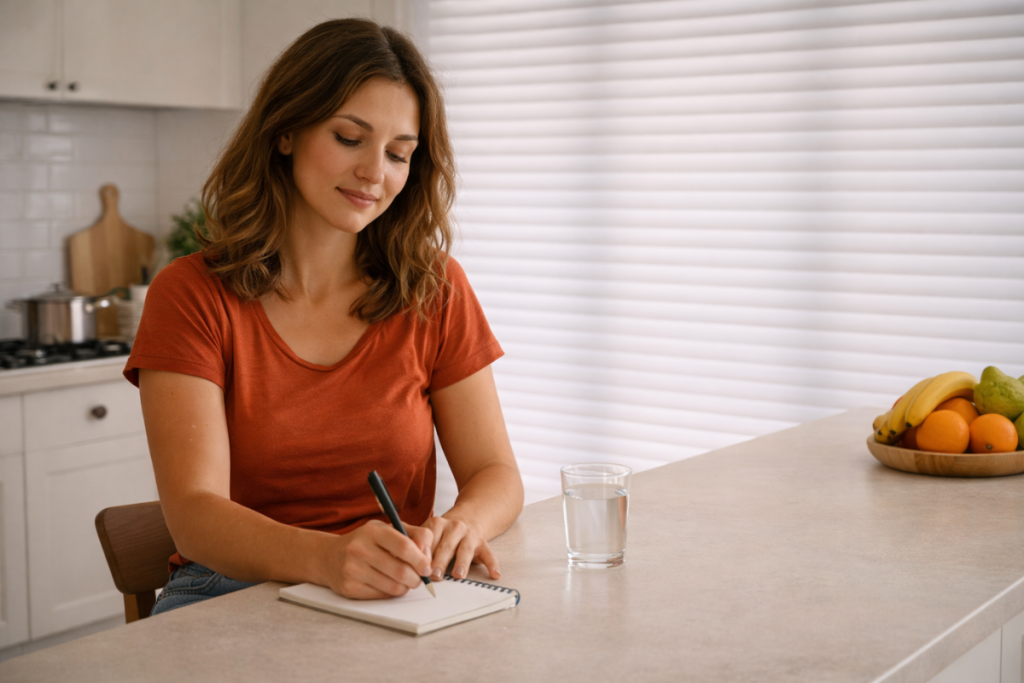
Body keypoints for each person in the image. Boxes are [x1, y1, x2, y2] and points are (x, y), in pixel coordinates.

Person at [123, 18, 524, 615]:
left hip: (393, 595)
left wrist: (464, 523)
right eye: (348, 138)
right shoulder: (191, 294)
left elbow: (496, 472)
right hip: (229, 591)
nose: (374, 173)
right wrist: (328, 559)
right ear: (286, 130)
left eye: (398, 154)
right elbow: (194, 517)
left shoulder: (434, 288)